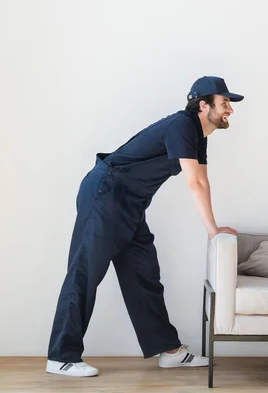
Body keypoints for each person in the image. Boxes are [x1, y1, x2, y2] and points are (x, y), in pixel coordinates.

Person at [46, 76, 243, 377]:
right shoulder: (182, 126)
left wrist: (214, 228)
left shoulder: (198, 136)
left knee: (144, 274)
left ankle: (169, 350)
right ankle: (61, 356)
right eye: (225, 102)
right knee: (85, 273)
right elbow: (192, 183)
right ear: (203, 105)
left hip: (132, 203)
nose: (230, 108)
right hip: (106, 194)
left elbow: (202, 180)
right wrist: (213, 232)